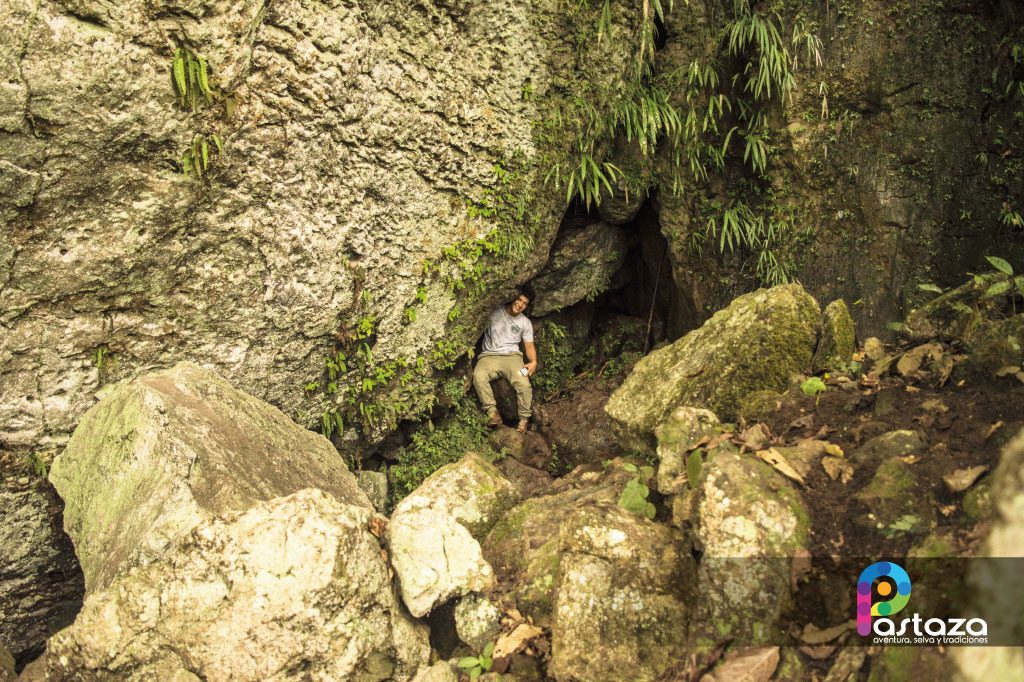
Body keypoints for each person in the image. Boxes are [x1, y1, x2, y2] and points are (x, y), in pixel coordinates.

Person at [473, 291, 537, 432]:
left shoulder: (525, 322)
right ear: (513, 298)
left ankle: (524, 420)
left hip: (513, 358)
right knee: (478, 376)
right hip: (489, 356)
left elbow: (529, 345)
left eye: (524, 303)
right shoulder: (494, 312)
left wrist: (533, 362)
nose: (520, 305)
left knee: (524, 384)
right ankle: (492, 413)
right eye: (519, 300)